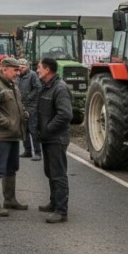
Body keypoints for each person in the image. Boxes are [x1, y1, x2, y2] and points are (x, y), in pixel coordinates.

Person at [0, 56, 28, 217]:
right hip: (1, 135)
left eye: (18, 70)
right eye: (15, 70)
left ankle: (10, 199)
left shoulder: (12, 85)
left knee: (11, 168)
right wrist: (8, 123)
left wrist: (23, 115)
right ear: (4, 69)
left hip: (13, 135)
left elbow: (16, 106)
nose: (17, 73)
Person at [36, 57, 73, 223]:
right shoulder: (46, 86)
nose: (37, 70)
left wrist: (48, 128)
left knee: (58, 175)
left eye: (39, 67)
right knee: (50, 172)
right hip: (48, 138)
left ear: (47, 70)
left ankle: (61, 211)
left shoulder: (60, 88)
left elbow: (65, 114)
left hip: (56, 138)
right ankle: (53, 202)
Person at [16, 58, 43, 160]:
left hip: (32, 107)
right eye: (19, 67)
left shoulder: (32, 75)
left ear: (27, 67)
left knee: (33, 129)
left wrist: (29, 97)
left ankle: (37, 152)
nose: (21, 69)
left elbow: (38, 88)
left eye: (22, 67)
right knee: (24, 130)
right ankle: (27, 150)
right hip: (21, 106)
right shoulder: (18, 76)